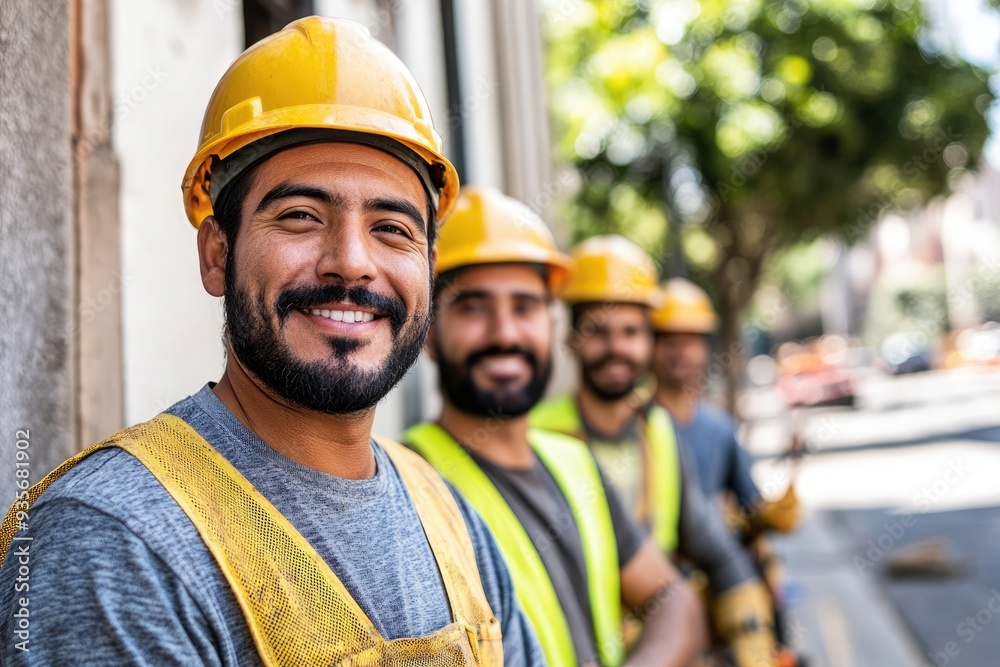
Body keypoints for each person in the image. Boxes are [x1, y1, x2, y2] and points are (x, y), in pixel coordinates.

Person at [0, 18, 541, 666]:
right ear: (216, 254)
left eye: (392, 228)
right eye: (301, 216)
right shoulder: (112, 537)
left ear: (428, 265)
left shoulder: (449, 517)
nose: (351, 263)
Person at [405, 186, 706, 667]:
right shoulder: (406, 485)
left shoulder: (573, 461)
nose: (505, 333)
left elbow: (673, 598)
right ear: (430, 334)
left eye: (524, 307)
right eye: (473, 307)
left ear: (550, 327)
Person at [531, 237, 780, 667]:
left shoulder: (660, 431)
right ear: (570, 339)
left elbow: (716, 551)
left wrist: (753, 637)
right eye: (597, 331)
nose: (616, 348)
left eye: (631, 332)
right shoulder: (537, 434)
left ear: (648, 341)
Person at [650, 278, 799, 538]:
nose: (678, 353)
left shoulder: (719, 429)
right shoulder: (634, 426)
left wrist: (788, 477)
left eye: (689, 341)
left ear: (704, 349)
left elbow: (751, 507)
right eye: (668, 342)